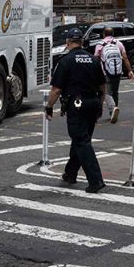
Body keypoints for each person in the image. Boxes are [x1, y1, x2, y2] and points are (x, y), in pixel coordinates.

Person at [46, 27, 107, 193]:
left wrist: (49, 107)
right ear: (81, 42)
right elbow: (102, 87)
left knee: (81, 141)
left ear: (67, 42)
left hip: (77, 105)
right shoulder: (94, 60)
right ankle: (70, 173)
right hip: (93, 103)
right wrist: (100, 104)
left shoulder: (65, 61)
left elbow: (56, 90)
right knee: (81, 139)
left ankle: (96, 180)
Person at [93, 27, 132, 124]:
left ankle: (113, 108)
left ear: (103, 34)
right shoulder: (119, 44)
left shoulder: (100, 45)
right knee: (115, 92)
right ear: (113, 33)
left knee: (106, 92)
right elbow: (125, 58)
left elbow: (95, 60)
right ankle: (113, 112)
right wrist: (130, 71)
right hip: (117, 72)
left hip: (105, 72)